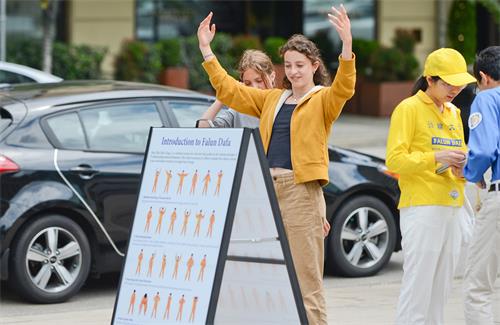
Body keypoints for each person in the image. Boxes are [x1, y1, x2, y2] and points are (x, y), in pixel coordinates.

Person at [197, 5, 354, 324]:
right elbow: (230, 90)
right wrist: (206, 50)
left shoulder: (323, 99)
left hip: (300, 192)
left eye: (300, 65)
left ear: (313, 66)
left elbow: (344, 88)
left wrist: (347, 46)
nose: (294, 71)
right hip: (266, 194)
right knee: (267, 278)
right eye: (288, 65)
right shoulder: (273, 99)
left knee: (306, 284)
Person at [386, 48, 476, 325]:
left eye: (459, 83)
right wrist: (436, 157)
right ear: (429, 79)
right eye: (448, 83)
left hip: (452, 205)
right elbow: (395, 160)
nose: (455, 89)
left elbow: (457, 158)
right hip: (422, 207)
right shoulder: (408, 109)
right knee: (418, 288)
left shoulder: (453, 112)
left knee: (441, 290)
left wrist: (463, 168)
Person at [461, 46, 500, 325]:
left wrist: (470, 173)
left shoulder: (486, 99)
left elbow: (484, 151)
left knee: (478, 287)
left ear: (483, 77)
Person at [196, 49, 275, 128]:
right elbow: (203, 128)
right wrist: (224, 95)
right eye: (248, 83)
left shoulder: (283, 105)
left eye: (259, 81)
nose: (254, 87)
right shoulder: (239, 110)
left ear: (272, 77)